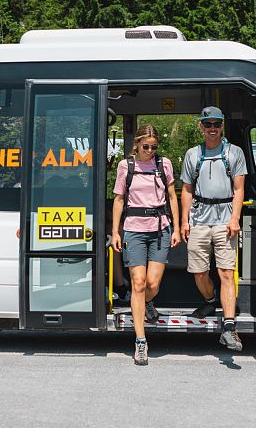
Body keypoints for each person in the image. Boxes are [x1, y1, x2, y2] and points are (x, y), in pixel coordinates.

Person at [111, 124, 180, 366]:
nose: (150, 150)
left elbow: (173, 197)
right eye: (145, 146)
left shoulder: (164, 164)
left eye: (154, 147)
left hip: (161, 229)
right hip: (134, 230)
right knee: (138, 283)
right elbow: (119, 199)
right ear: (137, 144)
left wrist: (178, 228)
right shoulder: (125, 166)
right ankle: (141, 341)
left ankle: (147, 302)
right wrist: (115, 232)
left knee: (152, 284)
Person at [181, 106, 246, 352]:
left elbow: (239, 189)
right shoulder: (192, 154)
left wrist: (235, 218)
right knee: (199, 272)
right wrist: (184, 222)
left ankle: (228, 328)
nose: (212, 129)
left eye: (216, 124)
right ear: (201, 126)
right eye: (207, 124)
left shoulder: (234, 153)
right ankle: (210, 301)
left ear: (222, 126)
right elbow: (187, 190)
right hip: (199, 218)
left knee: (226, 272)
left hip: (225, 218)